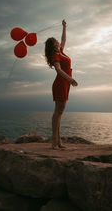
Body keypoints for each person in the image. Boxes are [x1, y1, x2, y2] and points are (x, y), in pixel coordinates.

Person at [44, 19, 78, 149]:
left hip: (65, 83)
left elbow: (64, 40)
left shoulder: (60, 52)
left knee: (59, 112)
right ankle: (54, 142)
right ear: (53, 46)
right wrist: (70, 79)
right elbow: (58, 69)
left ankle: (58, 141)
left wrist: (64, 27)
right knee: (57, 113)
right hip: (61, 83)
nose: (59, 43)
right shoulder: (55, 55)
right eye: (57, 42)